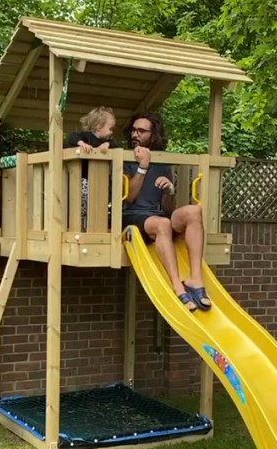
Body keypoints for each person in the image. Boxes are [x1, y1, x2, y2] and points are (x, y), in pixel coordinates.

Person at [122, 112, 212, 313]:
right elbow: (129, 197)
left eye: (141, 131)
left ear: (153, 135)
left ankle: (195, 279)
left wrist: (169, 190)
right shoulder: (124, 158)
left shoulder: (163, 161)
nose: (135, 134)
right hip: (132, 216)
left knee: (194, 211)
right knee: (162, 224)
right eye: (133, 130)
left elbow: (168, 208)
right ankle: (177, 285)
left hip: (156, 215)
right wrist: (142, 167)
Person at [65, 106, 118, 230]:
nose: (111, 132)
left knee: (97, 205)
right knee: (81, 205)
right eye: (110, 128)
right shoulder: (86, 136)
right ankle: (79, 226)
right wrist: (81, 144)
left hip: (100, 180)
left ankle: (94, 227)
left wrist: (108, 144)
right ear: (99, 126)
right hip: (83, 179)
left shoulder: (108, 141)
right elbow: (71, 137)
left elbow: (117, 146)